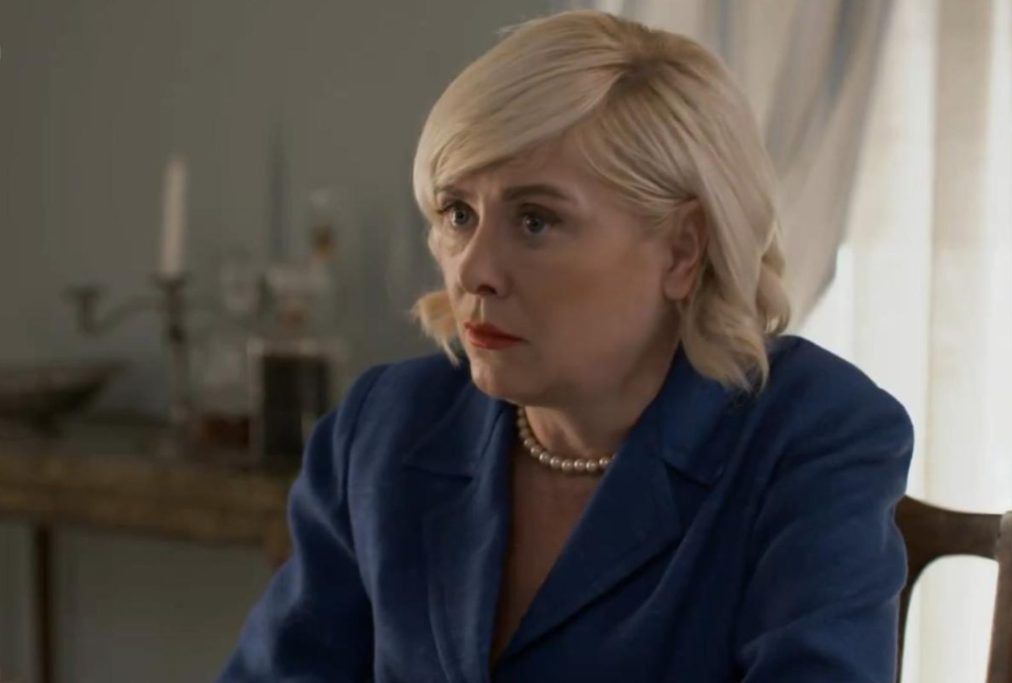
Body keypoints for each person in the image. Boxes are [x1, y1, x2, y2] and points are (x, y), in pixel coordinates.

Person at [218, 9, 914, 682]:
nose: (473, 269)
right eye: (459, 213)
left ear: (682, 249)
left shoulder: (814, 432)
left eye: (535, 221)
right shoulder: (384, 426)